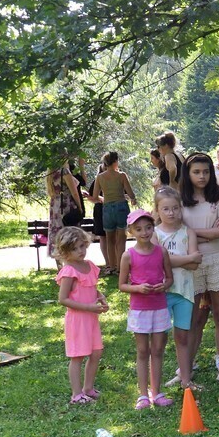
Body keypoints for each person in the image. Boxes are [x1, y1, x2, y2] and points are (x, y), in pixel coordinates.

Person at [180, 152, 219, 382]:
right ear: (188, 174)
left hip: (217, 261)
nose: (201, 176)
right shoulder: (180, 200)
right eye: (196, 172)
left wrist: (193, 233)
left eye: (205, 172)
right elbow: (176, 231)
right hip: (191, 263)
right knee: (194, 317)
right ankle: (185, 368)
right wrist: (203, 235)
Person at [119, 209, 175, 409]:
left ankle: (157, 392)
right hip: (139, 309)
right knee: (143, 351)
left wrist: (164, 285)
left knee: (158, 350)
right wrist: (138, 288)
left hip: (159, 307)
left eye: (148, 227)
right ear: (131, 231)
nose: (144, 232)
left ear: (153, 228)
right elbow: (122, 285)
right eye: (139, 229)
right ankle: (143, 395)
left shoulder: (161, 251)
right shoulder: (128, 255)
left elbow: (169, 278)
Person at [154, 187, 204, 393]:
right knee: (159, 339)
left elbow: (195, 264)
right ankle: (154, 387)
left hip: (184, 292)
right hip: (161, 293)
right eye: (166, 209)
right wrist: (186, 259)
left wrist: (171, 260)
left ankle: (186, 380)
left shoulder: (188, 232)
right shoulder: (154, 233)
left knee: (183, 337)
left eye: (175, 208)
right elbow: (157, 262)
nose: (171, 213)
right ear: (157, 210)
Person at [54, 226, 108, 404]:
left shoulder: (90, 266)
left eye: (82, 246)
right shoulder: (69, 271)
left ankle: (88, 388)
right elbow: (63, 299)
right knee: (77, 356)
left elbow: (90, 287)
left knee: (96, 352)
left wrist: (99, 297)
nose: (81, 251)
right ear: (65, 251)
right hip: (77, 320)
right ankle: (76, 395)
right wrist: (87, 307)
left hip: (91, 318)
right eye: (75, 248)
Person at [90, 151, 138, 277]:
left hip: (107, 208)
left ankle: (111, 266)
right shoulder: (121, 175)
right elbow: (131, 193)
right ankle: (120, 267)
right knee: (121, 239)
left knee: (109, 239)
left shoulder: (99, 177)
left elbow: (95, 196)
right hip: (121, 207)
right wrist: (132, 198)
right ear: (116, 161)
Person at [46, 160, 83, 267]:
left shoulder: (50, 172)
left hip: (55, 206)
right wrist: (80, 207)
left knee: (57, 233)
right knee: (70, 233)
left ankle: (60, 267)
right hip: (66, 205)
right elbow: (74, 192)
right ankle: (72, 264)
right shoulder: (65, 171)